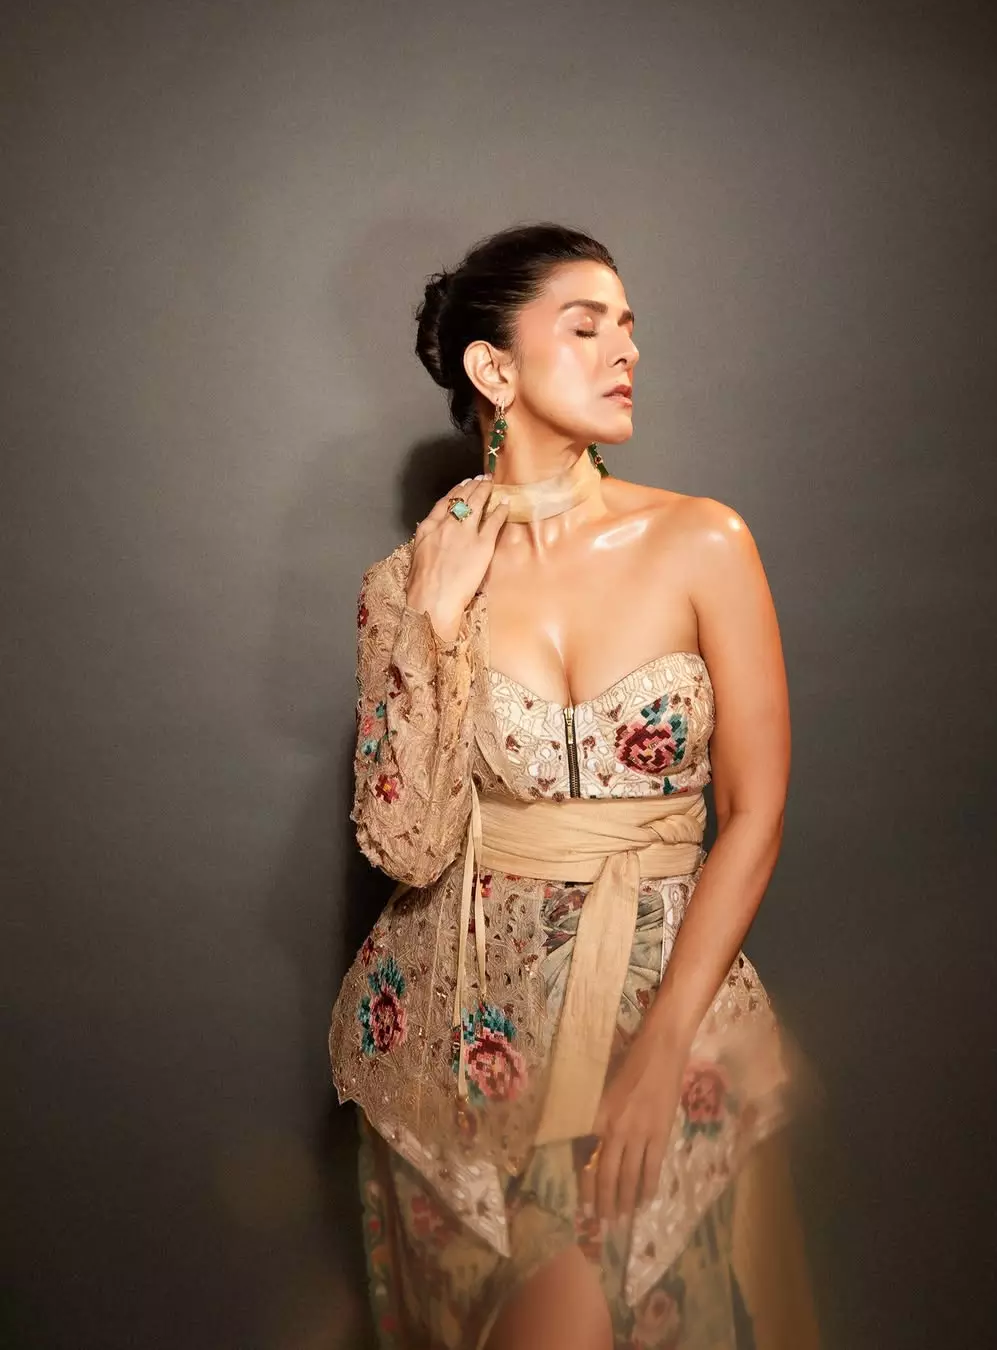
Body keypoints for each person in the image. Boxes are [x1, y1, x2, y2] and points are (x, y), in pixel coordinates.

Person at [329, 223, 819, 1349]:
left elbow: (755, 813)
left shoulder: (703, 539)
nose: (625, 350)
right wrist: (432, 625)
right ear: (493, 368)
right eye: (586, 327)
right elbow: (405, 846)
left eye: (628, 327)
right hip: (464, 1035)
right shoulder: (411, 580)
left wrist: (660, 1055)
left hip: (663, 1008)